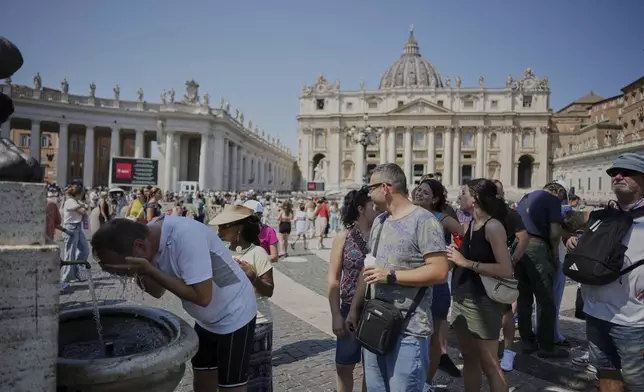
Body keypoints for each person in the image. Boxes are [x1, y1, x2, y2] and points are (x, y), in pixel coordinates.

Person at [91, 216, 257, 392]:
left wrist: (149, 269)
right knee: (202, 376)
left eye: (122, 268)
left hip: (235, 313)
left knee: (230, 385)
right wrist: (141, 271)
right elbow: (156, 291)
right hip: (206, 319)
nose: (122, 274)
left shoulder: (185, 237)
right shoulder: (148, 240)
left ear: (139, 246)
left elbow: (202, 297)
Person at [346, 163, 450, 392]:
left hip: (409, 329)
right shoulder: (380, 222)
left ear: (385, 188)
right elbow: (369, 267)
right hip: (375, 323)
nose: (368, 193)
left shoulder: (424, 221)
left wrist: (391, 276)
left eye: (370, 187)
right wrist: (355, 309)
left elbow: (440, 271)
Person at [570, 153, 644, 391]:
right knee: (606, 373)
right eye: (613, 173)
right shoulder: (601, 217)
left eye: (626, 172)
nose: (617, 176)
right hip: (595, 312)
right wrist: (575, 241)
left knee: (636, 381)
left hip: (633, 319)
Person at [447, 179, 514, 392]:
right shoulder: (470, 226)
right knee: (469, 358)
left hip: (482, 303)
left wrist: (466, 263)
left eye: (463, 192)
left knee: (490, 363)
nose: (458, 196)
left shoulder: (492, 226)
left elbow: (506, 269)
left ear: (474, 199)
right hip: (462, 298)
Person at [212, 205, 275, 392]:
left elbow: (269, 290)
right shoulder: (221, 252)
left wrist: (252, 276)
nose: (219, 231)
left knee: (256, 379)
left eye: (224, 226)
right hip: (227, 321)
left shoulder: (258, 253)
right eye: (219, 227)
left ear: (238, 228)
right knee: (231, 376)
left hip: (257, 322)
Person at [412, 179, 464, 389]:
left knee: (435, 339)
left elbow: (466, 236)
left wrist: (452, 261)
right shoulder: (407, 214)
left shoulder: (442, 218)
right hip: (413, 281)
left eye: (425, 192)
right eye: (418, 190)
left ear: (434, 199)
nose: (420, 194)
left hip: (437, 284)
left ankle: (427, 382)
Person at [328, 188, 378, 392]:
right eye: (373, 205)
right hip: (349, 305)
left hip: (376, 307)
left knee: (372, 367)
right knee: (343, 364)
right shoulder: (344, 237)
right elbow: (333, 278)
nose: (378, 209)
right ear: (361, 209)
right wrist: (335, 315)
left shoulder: (382, 235)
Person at [515, 182, 569, 358]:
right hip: (538, 247)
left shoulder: (524, 199)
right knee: (546, 299)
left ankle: (527, 341)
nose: (561, 202)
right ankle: (546, 346)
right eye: (562, 198)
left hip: (520, 247)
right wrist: (554, 254)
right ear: (557, 191)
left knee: (524, 298)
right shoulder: (552, 200)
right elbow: (554, 233)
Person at [61, 184, 89, 284]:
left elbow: (86, 208)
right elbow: (83, 211)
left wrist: (83, 205)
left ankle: (77, 271)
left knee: (84, 249)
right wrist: (84, 205)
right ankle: (66, 278)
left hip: (77, 227)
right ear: (79, 193)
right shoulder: (70, 201)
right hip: (70, 228)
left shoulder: (76, 201)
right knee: (70, 253)